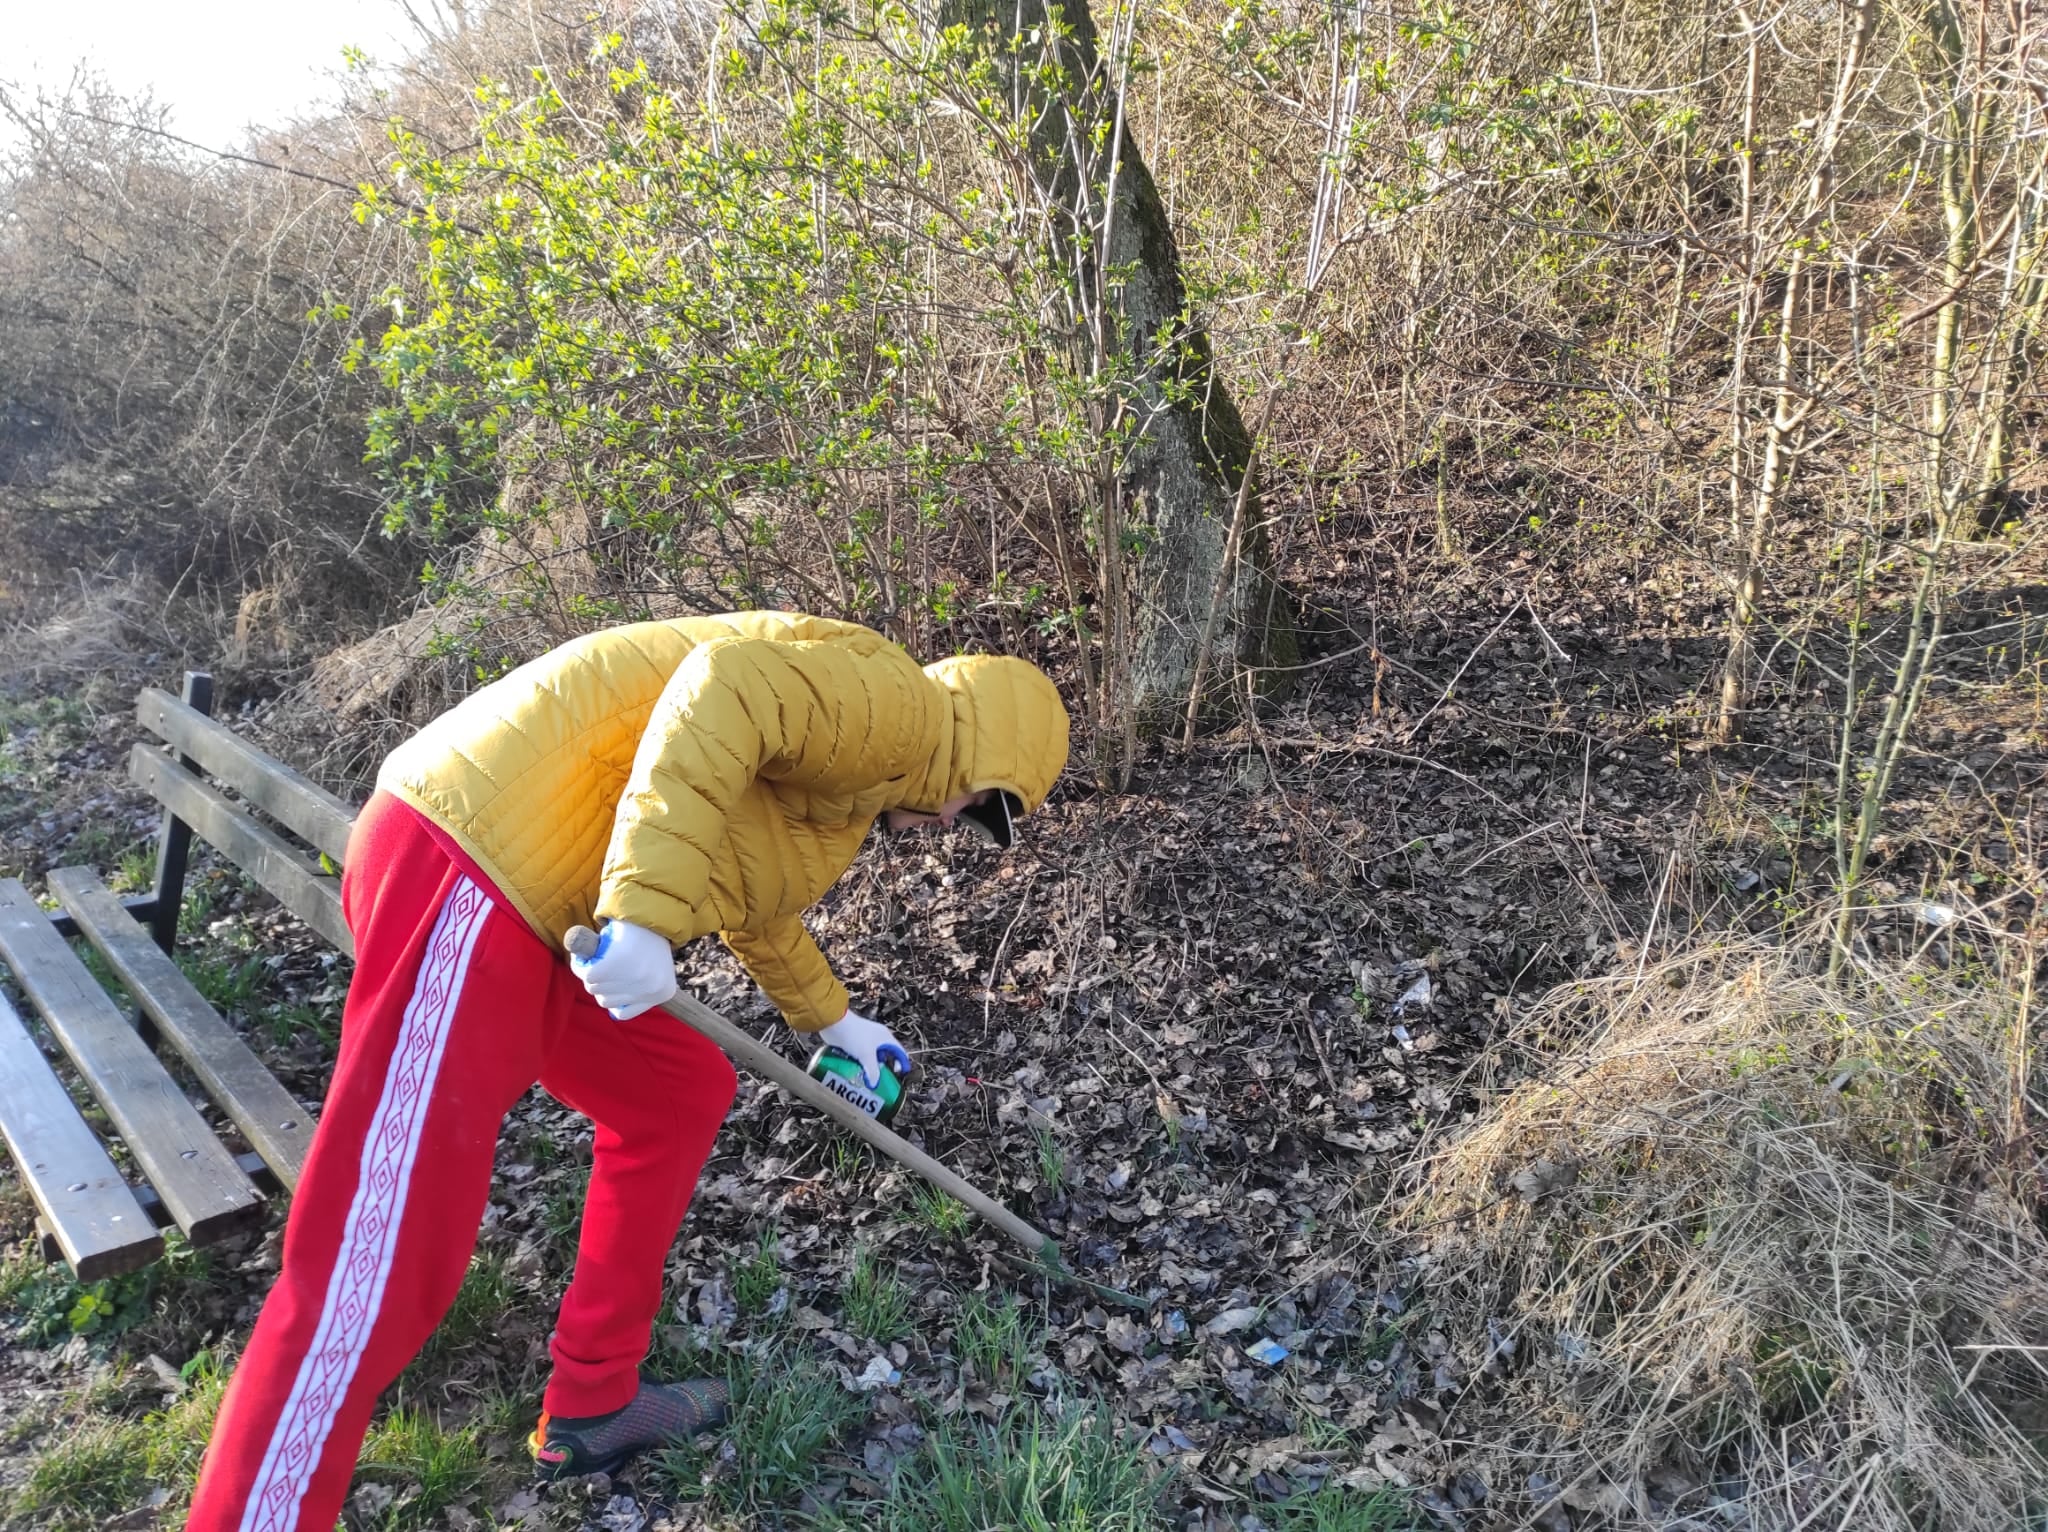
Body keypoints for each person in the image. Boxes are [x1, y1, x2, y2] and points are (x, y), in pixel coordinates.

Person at [186, 611, 1069, 1530]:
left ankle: (594, 1399)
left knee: (675, 1090)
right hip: (473, 868)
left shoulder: (857, 788)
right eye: (979, 808)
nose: (949, 827)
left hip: (534, 906)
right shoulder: (903, 711)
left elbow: (751, 896)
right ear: (976, 757)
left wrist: (834, 1020)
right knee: (381, 1257)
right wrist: (644, 918)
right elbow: (724, 689)